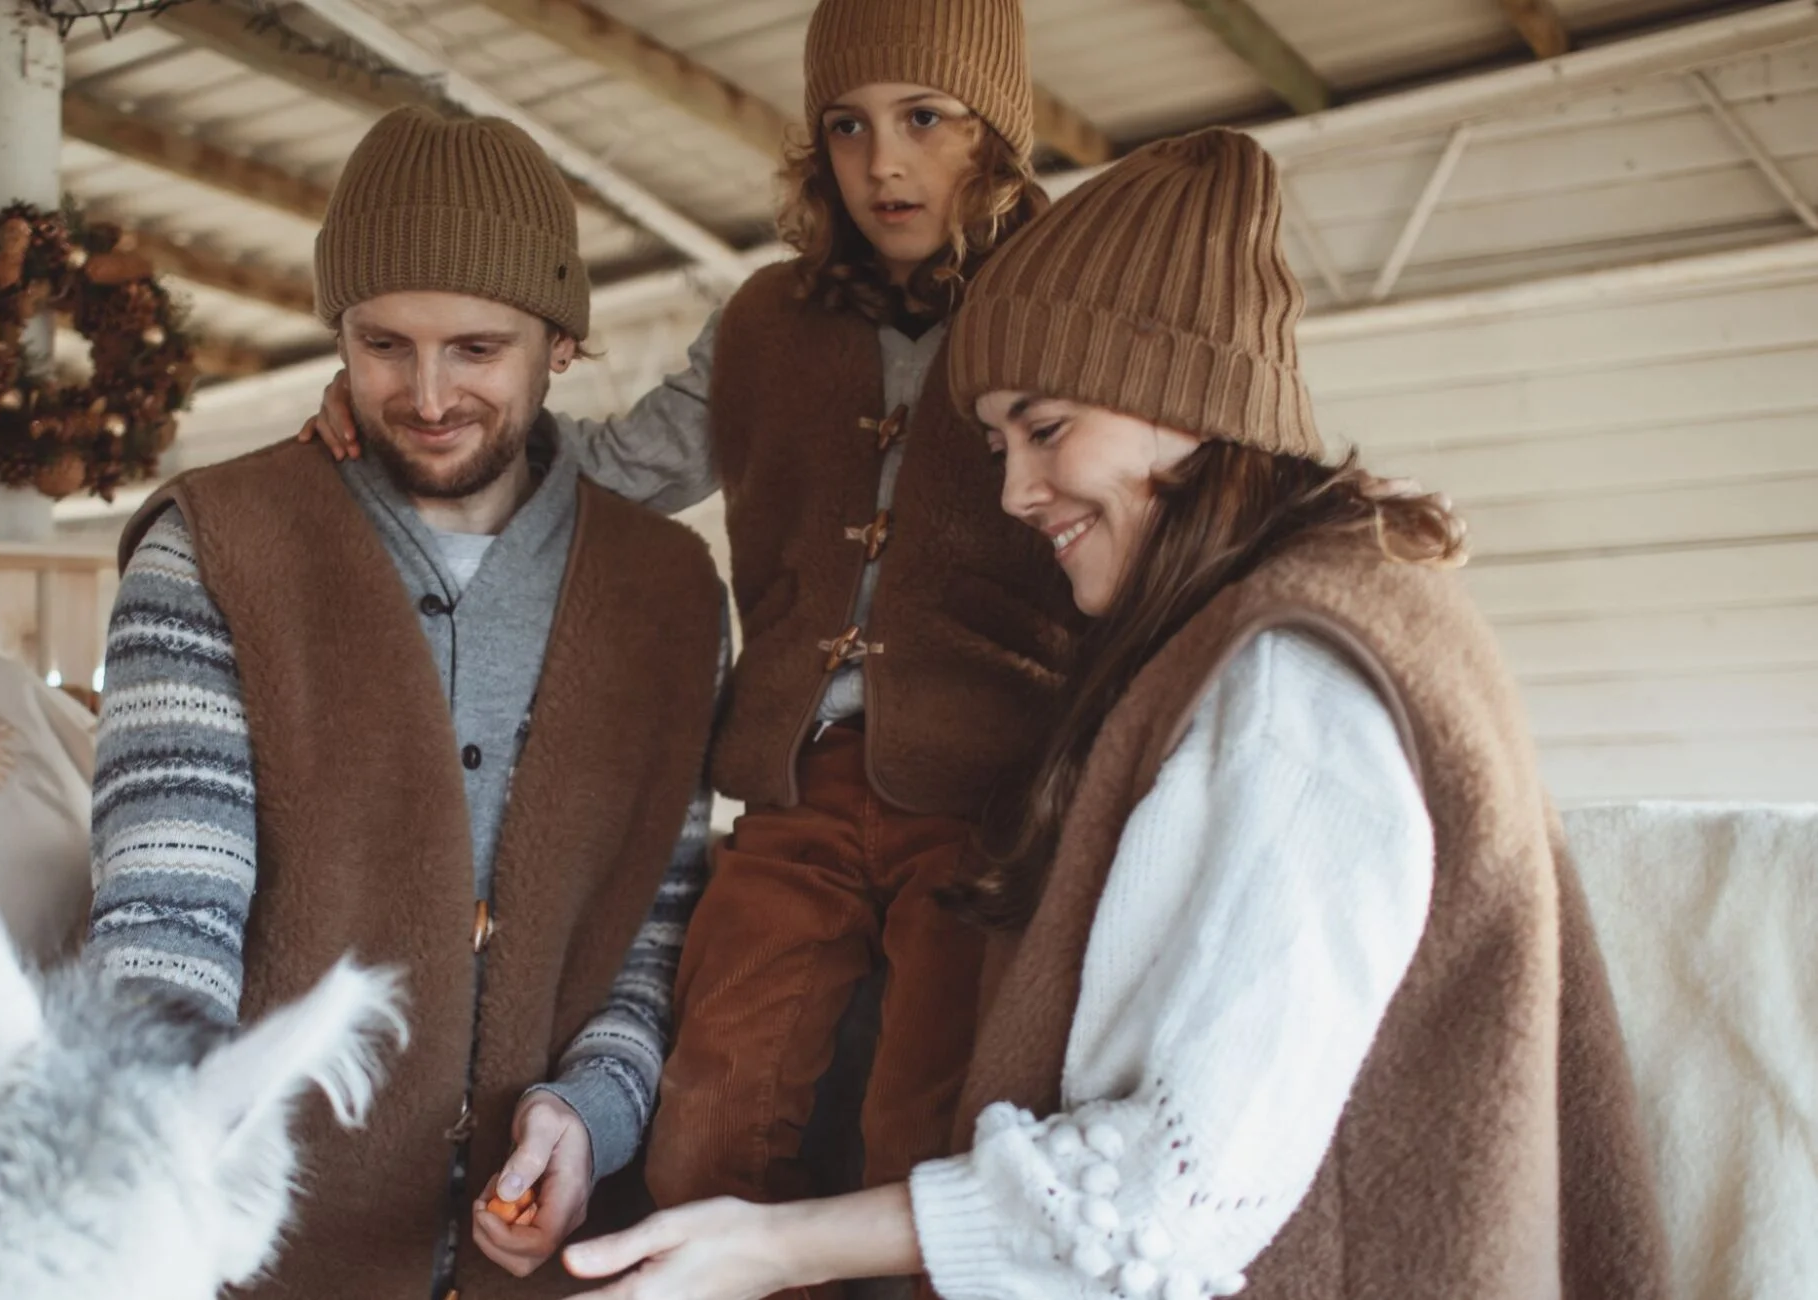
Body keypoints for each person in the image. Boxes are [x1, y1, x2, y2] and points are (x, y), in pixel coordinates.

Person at [553, 129, 1673, 1300]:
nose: (1013, 491)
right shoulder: (1273, 625)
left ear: (1187, 397)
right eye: (997, 445)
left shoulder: (1294, 679)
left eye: (1046, 429)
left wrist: (778, 1244)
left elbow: (1170, 1193)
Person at [304, 0, 1084, 1236]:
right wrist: (415, 419)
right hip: (794, 787)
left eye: (926, 119)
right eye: (847, 125)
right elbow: (619, 470)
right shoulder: (769, 320)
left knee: (927, 1117)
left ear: (996, 130)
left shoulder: (1064, 300)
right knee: (713, 1113)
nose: (883, 162)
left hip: (987, 791)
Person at [85, 105, 725, 1297]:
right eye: (384, 344)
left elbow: (655, 932)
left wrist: (589, 1116)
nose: (428, 396)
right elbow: (165, 918)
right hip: (255, 1259)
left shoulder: (672, 594)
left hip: (558, 1261)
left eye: (477, 348)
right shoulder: (214, 549)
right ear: (337, 332)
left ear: (561, 343)